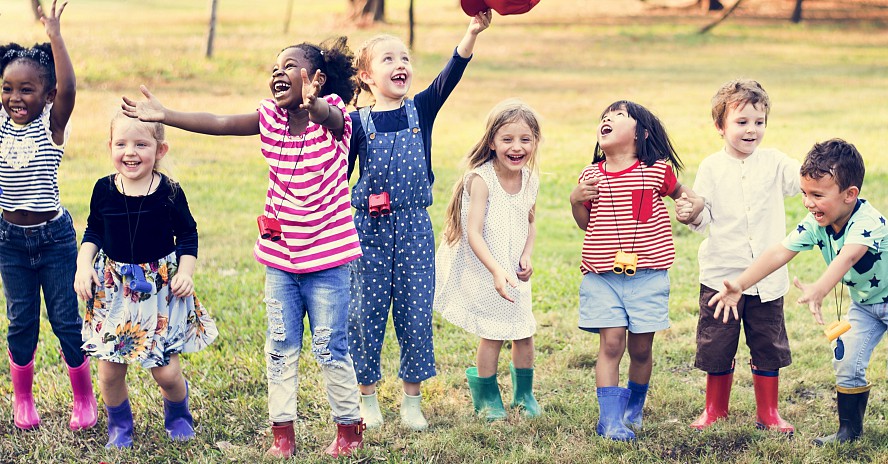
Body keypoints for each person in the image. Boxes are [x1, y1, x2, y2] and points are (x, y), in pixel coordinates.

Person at [121, 37, 365, 458]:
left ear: (317, 78)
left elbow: (328, 116)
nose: (277, 72)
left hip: (328, 263)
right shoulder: (270, 117)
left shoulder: (336, 119)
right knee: (279, 346)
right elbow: (218, 120)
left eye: (289, 65)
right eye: (274, 66)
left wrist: (315, 104)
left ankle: (348, 429)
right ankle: (282, 434)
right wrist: (167, 115)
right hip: (281, 263)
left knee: (330, 346)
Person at [346, 11, 492, 431]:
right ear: (367, 76)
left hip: (413, 229)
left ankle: (412, 402)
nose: (400, 64)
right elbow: (339, 175)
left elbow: (452, 74)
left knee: (413, 312)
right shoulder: (357, 123)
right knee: (364, 312)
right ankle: (367, 398)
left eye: (404, 57)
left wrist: (471, 32)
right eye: (388, 59)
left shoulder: (421, 110)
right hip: (367, 231)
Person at [709, 139, 887, 446]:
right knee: (847, 362)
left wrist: (820, 287)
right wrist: (740, 283)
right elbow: (778, 252)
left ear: (850, 195)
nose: (808, 202)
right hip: (865, 306)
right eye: (805, 193)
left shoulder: (867, 222)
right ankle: (849, 432)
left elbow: (850, 256)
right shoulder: (817, 223)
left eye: (817, 195)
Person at [74, 113, 218, 448]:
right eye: (121, 144)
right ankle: (120, 425)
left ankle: (179, 415)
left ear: (160, 149)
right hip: (114, 290)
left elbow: (188, 234)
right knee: (109, 373)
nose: (130, 152)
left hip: (159, 290)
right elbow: (93, 230)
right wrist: (84, 265)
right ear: (110, 147)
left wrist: (186, 271)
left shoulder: (169, 191)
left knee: (166, 372)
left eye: (141, 144)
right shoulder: (104, 189)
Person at [569, 100, 701, 441]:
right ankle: (609, 420)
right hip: (602, 277)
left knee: (641, 349)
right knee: (611, 345)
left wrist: (692, 206)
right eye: (604, 117)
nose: (607, 119)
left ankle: (634, 407)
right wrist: (575, 200)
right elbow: (586, 224)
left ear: (640, 132)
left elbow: (684, 195)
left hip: (648, 276)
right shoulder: (591, 175)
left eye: (618, 115)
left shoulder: (657, 170)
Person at [675, 79, 799, 433]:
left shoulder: (775, 163)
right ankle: (715, 409)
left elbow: (802, 180)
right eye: (742, 122)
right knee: (717, 343)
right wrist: (692, 212)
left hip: (766, 280)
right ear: (720, 126)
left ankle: (769, 412)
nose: (752, 130)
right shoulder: (712, 167)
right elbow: (703, 217)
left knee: (767, 345)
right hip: (720, 276)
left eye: (759, 122)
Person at [0, 0, 98, 432]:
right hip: (10, 242)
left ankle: (84, 399)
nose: (15, 98)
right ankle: (23, 400)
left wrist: (55, 34)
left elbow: (71, 88)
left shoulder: (51, 125)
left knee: (65, 319)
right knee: (21, 320)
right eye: (7, 88)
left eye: (26, 90)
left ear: (48, 95)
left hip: (55, 240)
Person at [434, 99, 542, 421]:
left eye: (525, 139)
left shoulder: (530, 180)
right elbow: (473, 233)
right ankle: (487, 395)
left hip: (514, 271)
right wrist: (496, 269)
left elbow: (530, 222)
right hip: (486, 268)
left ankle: (524, 394)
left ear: (535, 141)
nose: (516, 147)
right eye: (507, 139)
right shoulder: (482, 180)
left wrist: (526, 255)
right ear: (492, 142)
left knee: (524, 332)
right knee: (493, 333)